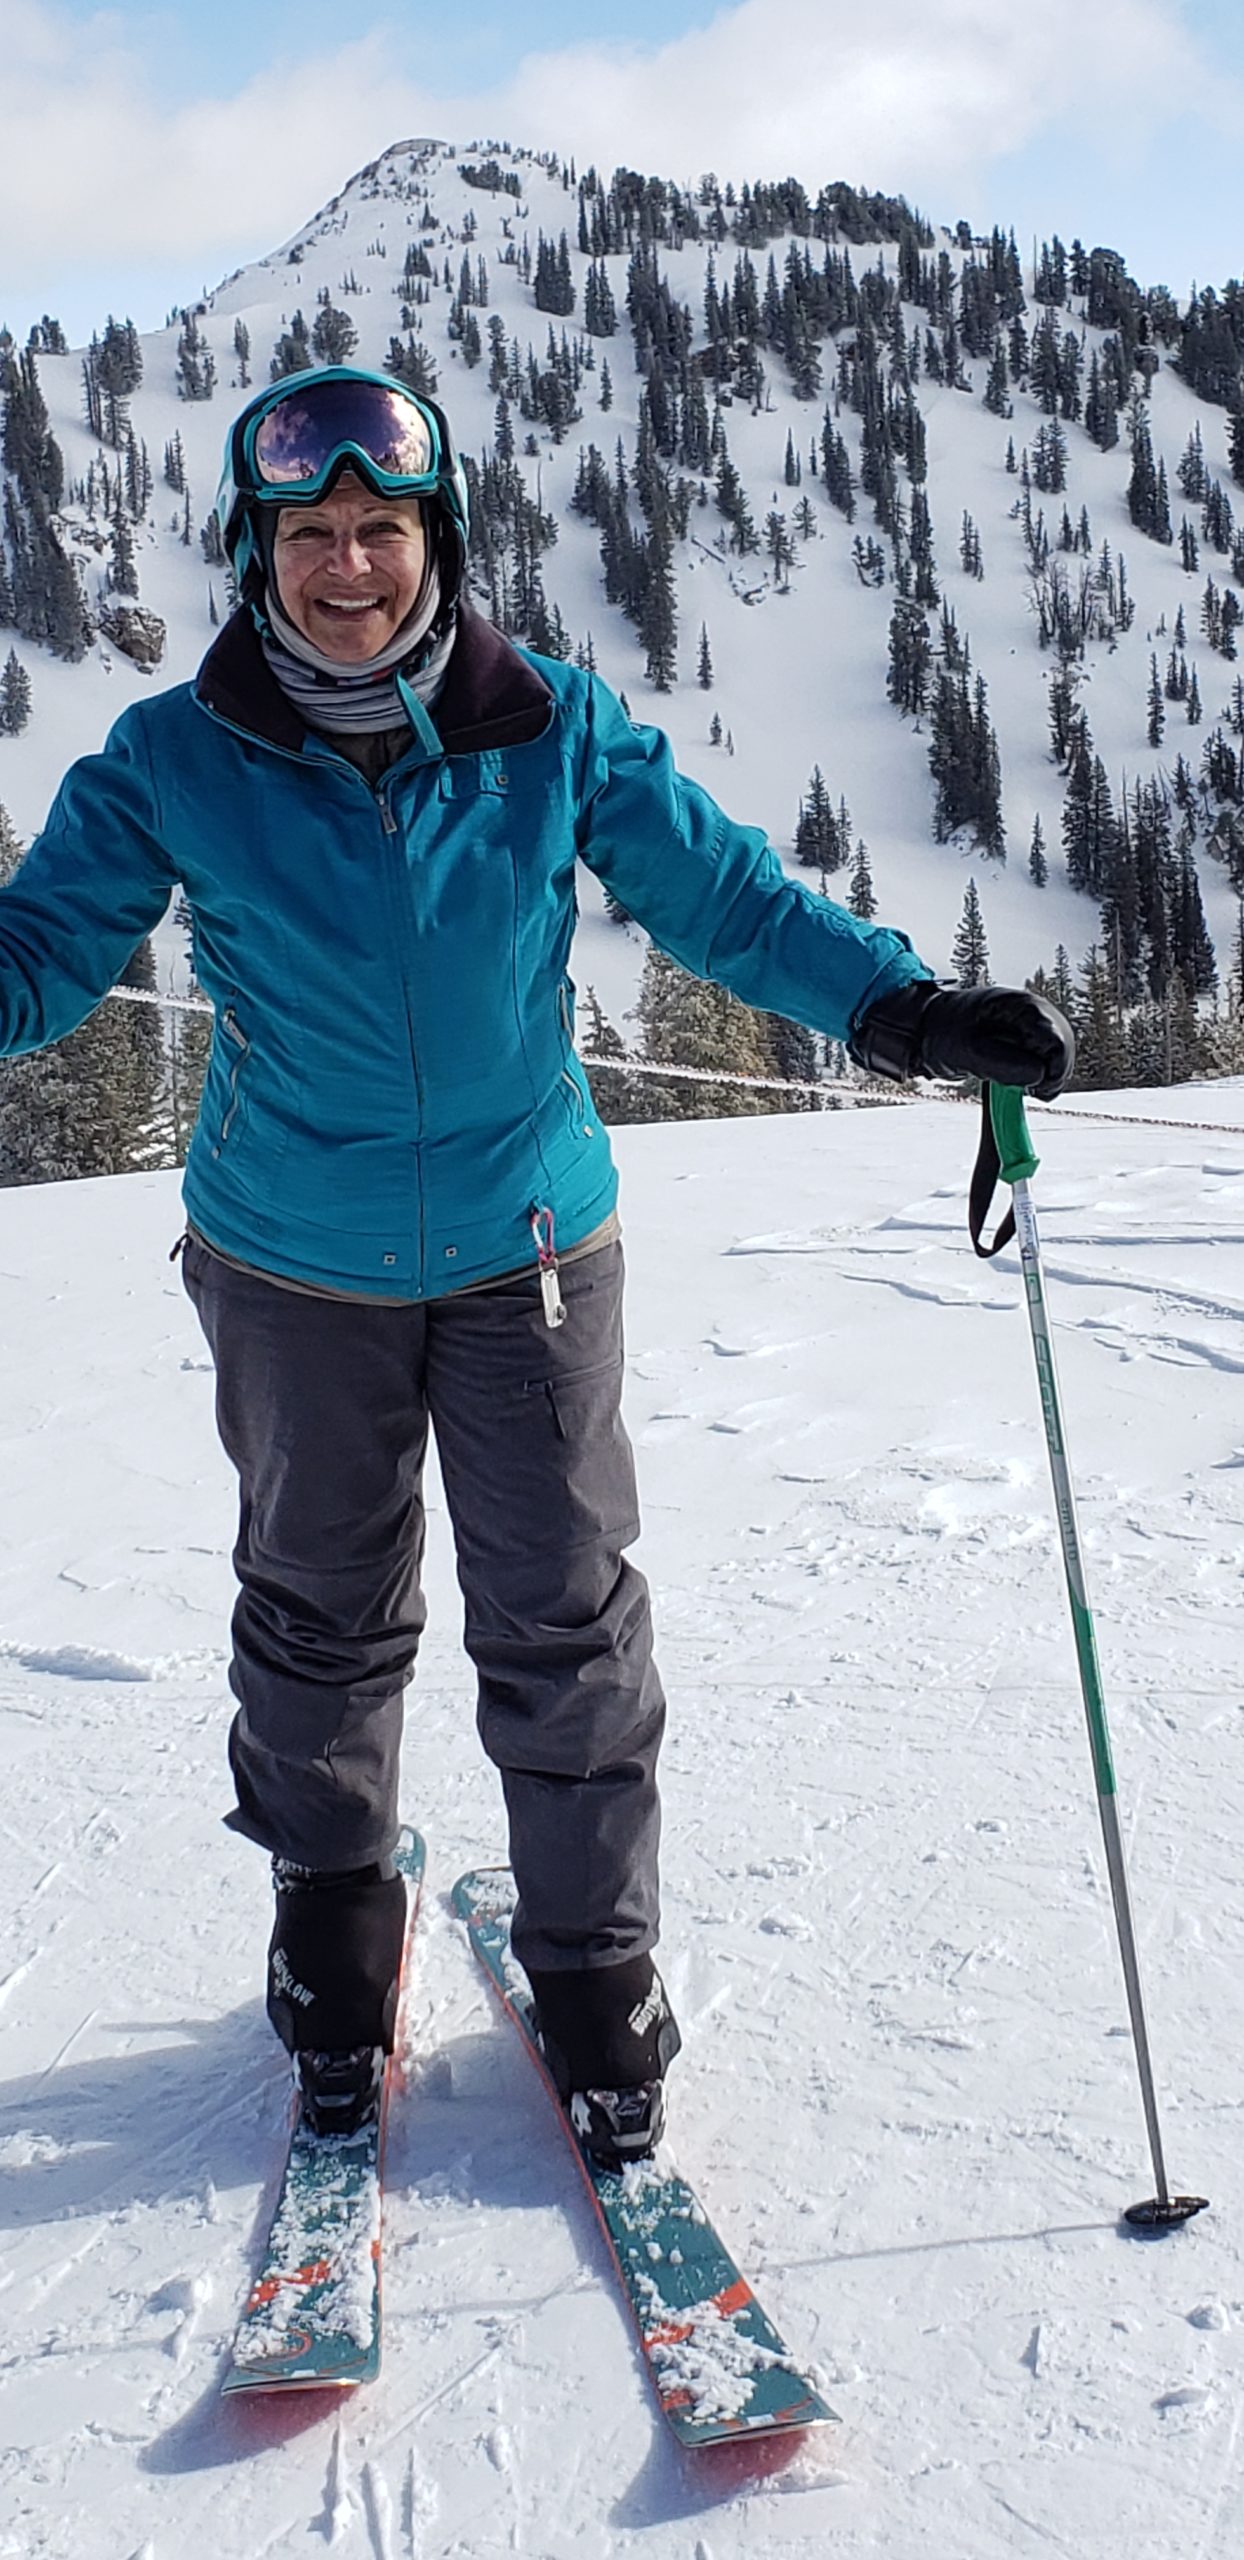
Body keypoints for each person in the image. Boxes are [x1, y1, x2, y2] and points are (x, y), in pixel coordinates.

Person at [0, 366, 1073, 2159]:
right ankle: (332, 1917)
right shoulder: (174, 757)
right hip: (293, 1261)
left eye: (382, 528)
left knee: (564, 1614)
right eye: (310, 532)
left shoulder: (550, 725)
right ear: (259, 553)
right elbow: (39, 957)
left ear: (438, 542)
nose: (349, 565)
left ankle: (593, 1967)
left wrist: (904, 1009)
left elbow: (724, 897)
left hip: (531, 1253)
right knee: (318, 1609)